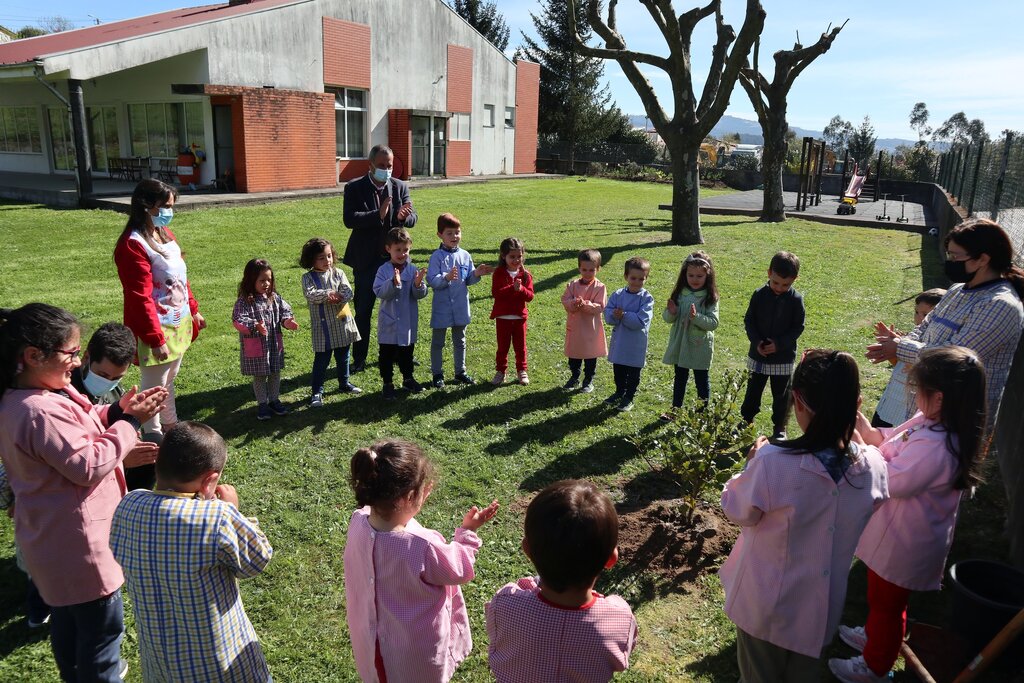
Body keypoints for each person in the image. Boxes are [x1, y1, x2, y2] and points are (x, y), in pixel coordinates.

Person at [0, 303, 166, 682]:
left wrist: (117, 412)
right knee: (101, 640)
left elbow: (83, 425)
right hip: (79, 549)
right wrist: (130, 425)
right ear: (32, 356)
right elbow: (87, 464)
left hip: (54, 546)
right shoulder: (39, 411)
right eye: (71, 354)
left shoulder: (28, 397)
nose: (76, 363)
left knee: (70, 627)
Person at [720, 349, 888, 683]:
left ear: (797, 401)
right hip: (821, 609)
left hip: (766, 606)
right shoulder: (874, 466)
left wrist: (752, 463)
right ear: (858, 404)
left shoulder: (773, 462)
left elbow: (737, 510)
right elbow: (874, 506)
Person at [829, 346, 986, 683]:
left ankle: (875, 665)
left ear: (940, 398)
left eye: (919, 390)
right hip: (894, 535)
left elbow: (891, 480)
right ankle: (876, 635)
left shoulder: (938, 447)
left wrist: (856, 445)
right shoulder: (928, 421)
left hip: (905, 545)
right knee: (881, 598)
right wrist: (863, 427)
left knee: (888, 604)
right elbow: (889, 438)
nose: (914, 395)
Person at [110, 421, 274, 683]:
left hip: (160, 660)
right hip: (220, 665)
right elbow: (256, 560)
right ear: (210, 480)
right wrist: (234, 511)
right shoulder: (218, 516)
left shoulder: (130, 504)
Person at [344, 440, 499, 683]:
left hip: (371, 644)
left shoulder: (357, 523)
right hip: (415, 656)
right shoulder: (423, 545)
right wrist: (468, 532)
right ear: (409, 496)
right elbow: (460, 568)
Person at [867, 218, 1024, 431]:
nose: (949, 261)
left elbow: (954, 360)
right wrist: (902, 342)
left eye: (955, 256)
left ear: (982, 259)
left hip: (957, 423)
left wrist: (900, 347)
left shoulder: (1000, 305)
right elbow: (924, 327)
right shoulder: (956, 290)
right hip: (925, 410)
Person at [486, 479, 637, 682]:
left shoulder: (506, 603)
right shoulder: (620, 618)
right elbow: (621, 660)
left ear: (527, 550)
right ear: (612, 559)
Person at [114, 178, 206, 435]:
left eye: (171, 206)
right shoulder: (133, 244)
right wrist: (155, 338)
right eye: (165, 206)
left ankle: (170, 424)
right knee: (154, 385)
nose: (169, 212)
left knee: (169, 380)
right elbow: (139, 297)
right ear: (146, 205)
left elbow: (180, 278)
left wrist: (194, 309)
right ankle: (152, 435)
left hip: (177, 322)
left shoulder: (164, 234)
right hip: (156, 327)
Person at [343, 144, 418, 374]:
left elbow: (413, 217)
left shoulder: (399, 186)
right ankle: (359, 358)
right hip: (367, 261)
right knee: (363, 311)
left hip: (395, 262)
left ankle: (400, 355)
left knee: (399, 310)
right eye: (382, 166)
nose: (387, 170)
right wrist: (378, 215)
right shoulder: (354, 187)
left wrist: (404, 218)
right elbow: (349, 219)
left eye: (390, 166)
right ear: (371, 165)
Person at [71, 321, 161, 491]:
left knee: (155, 445)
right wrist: (122, 460)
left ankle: (133, 501)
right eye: (103, 375)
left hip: (113, 449)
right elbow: (78, 460)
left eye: (116, 378)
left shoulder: (114, 391)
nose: (108, 382)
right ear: (86, 357)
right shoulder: (68, 390)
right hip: (90, 465)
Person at [740, 251, 805, 441]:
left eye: (786, 285)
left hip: (782, 357)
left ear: (795, 279)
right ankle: (746, 420)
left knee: (782, 395)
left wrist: (779, 344)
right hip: (758, 355)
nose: (779, 288)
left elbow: (797, 328)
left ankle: (780, 426)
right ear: (769, 273)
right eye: (776, 282)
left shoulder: (795, 300)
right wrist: (757, 342)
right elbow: (749, 321)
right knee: (753, 390)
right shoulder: (759, 295)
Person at [427, 213, 494, 388]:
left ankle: (460, 371)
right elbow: (432, 280)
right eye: (449, 233)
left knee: (460, 340)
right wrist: (446, 277)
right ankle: (437, 373)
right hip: (442, 307)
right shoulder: (436, 256)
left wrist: (476, 274)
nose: (454, 236)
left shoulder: (465, 255)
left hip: (460, 306)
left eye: (457, 232)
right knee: (438, 342)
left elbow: (468, 280)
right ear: (439, 235)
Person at [232, 258, 299, 421]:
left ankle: (274, 399)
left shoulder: (274, 297)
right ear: (251, 280)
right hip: (257, 346)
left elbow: (285, 310)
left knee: (275, 372)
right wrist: (255, 326)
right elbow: (238, 319)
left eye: (269, 280)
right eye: (262, 280)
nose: (266, 284)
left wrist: (287, 321)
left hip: (274, 345)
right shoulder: (245, 300)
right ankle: (262, 403)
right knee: (260, 376)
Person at [300, 237, 362, 407]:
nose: (327, 260)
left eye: (329, 256)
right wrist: (328, 294)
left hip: (342, 323)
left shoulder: (339, 273)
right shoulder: (308, 278)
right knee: (322, 361)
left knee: (343, 356)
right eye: (321, 257)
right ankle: (317, 392)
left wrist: (340, 296)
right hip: (323, 327)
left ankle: (344, 383)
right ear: (311, 260)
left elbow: (348, 292)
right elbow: (311, 295)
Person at [870, 288, 946, 428]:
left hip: (907, 410)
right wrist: (891, 350)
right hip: (889, 402)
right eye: (917, 312)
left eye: (926, 314)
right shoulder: (910, 338)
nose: (919, 318)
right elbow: (898, 365)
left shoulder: (933, 347)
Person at [660, 251, 720, 421]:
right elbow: (667, 318)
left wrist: (696, 317)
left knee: (702, 380)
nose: (694, 279)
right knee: (680, 378)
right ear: (684, 273)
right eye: (691, 275)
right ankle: (675, 410)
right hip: (681, 344)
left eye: (699, 276)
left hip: (699, 345)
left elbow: (713, 323)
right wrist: (672, 312)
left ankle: (702, 415)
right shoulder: (680, 293)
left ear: (708, 275)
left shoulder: (710, 297)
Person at [373, 228, 428, 400]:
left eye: (406, 250)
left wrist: (418, 284)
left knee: (406, 353)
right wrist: (393, 283)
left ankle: (408, 379)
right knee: (386, 354)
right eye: (398, 250)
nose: (402, 254)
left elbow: (419, 295)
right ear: (388, 249)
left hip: (407, 320)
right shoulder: (383, 270)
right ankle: (387, 383)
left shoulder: (412, 270)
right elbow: (379, 291)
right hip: (389, 321)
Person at [603, 256, 655, 413]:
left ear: (646, 279)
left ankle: (629, 396)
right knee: (619, 370)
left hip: (635, 343)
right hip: (620, 342)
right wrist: (614, 315)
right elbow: (608, 315)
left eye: (641, 279)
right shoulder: (618, 295)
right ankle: (619, 392)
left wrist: (624, 315)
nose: (636, 282)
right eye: (633, 278)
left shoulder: (647, 298)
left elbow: (641, 321)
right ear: (626, 276)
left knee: (633, 373)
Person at [561, 249, 608, 394]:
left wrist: (586, 304)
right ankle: (574, 376)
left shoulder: (600, 287)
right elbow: (565, 300)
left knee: (590, 357)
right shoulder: (572, 285)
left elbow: (600, 306)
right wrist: (573, 303)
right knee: (574, 356)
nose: (587, 273)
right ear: (579, 268)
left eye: (591, 270)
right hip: (575, 328)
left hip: (591, 329)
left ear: (598, 269)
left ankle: (588, 380)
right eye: (584, 269)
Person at [490, 237, 535, 386]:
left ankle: (522, 370)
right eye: (512, 257)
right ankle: (500, 371)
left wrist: (521, 289)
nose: (516, 260)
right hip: (503, 317)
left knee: (520, 347)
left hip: (519, 318)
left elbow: (530, 296)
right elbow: (496, 293)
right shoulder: (499, 273)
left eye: (519, 256)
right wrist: (512, 288)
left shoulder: (526, 275)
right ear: (504, 256)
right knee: (502, 347)